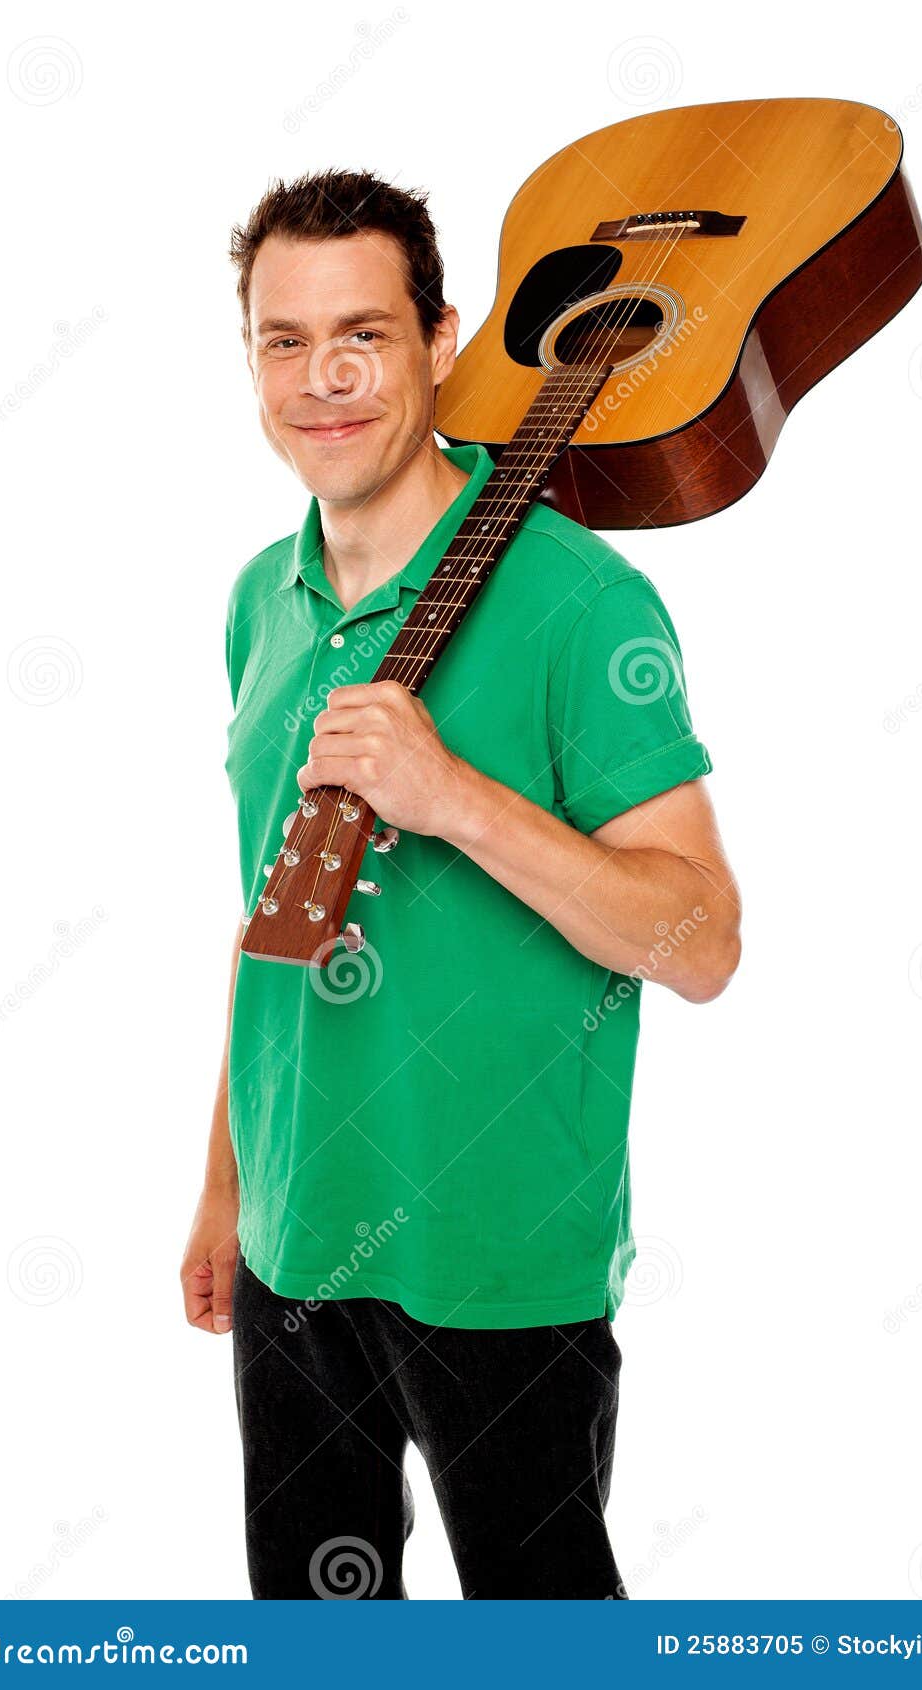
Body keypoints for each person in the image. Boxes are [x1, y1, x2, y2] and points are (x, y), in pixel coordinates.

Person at [180, 168, 742, 1600]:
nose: (326, 379)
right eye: (284, 341)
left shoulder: (581, 604)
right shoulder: (261, 596)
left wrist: (456, 800)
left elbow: (701, 936)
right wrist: (226, 1191)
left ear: (442, 340)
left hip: (499, 1262)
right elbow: (271, 921)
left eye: (362, 332)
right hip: (290, 1248)